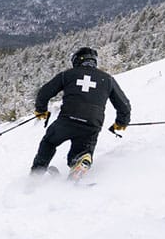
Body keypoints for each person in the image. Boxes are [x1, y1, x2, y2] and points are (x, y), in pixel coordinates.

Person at [30, 46, 131, 176]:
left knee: (49, 142)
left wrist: (41, 110)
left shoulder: (67, 74)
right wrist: (121, 123)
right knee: (81, 151)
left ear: (77, 60)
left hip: (67, 120)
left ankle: (37, 174)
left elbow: (44, 93)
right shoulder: (107, 79)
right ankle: (80, 162)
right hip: (91, 125)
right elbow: (124, 104)